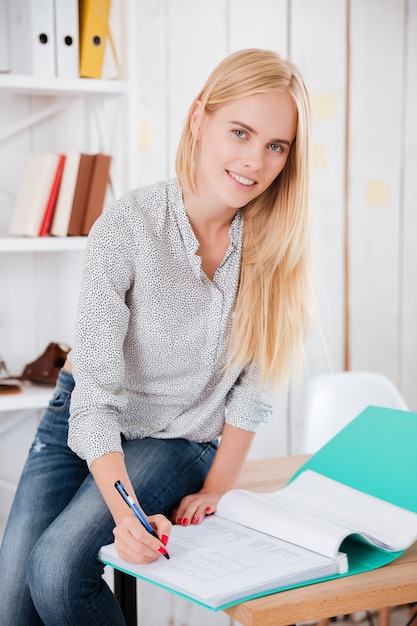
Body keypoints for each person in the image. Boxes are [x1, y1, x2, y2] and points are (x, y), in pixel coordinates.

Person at [0, 48, 314, 625]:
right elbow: (92, 401)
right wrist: (126, 513)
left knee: (57, 571)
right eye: (240, 133)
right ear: (199, 119)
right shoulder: (128, 225)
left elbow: (251, 388)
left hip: (178, 438)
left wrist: (216, 490)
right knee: (11, 604)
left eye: (276, 146)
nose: (255, 161)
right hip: (85, 415)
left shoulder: (274, 248)